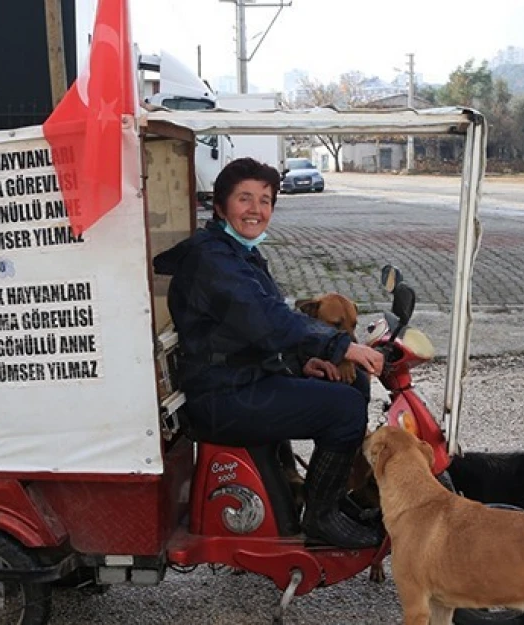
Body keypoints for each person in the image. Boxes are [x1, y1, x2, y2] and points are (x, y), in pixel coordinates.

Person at [153, 157, 385, 549]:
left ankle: (321, 497)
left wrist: (301, 362)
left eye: (265, 200)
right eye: (245, 198)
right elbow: (267, 319)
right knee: (344, 410)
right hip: (222, 398)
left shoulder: (233, 252)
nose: (256, 210)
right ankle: (320, 517)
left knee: (351, 385)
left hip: (237, 381)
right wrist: (341, 345)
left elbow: (250, 333)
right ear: (221, 205)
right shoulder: (213, 260)